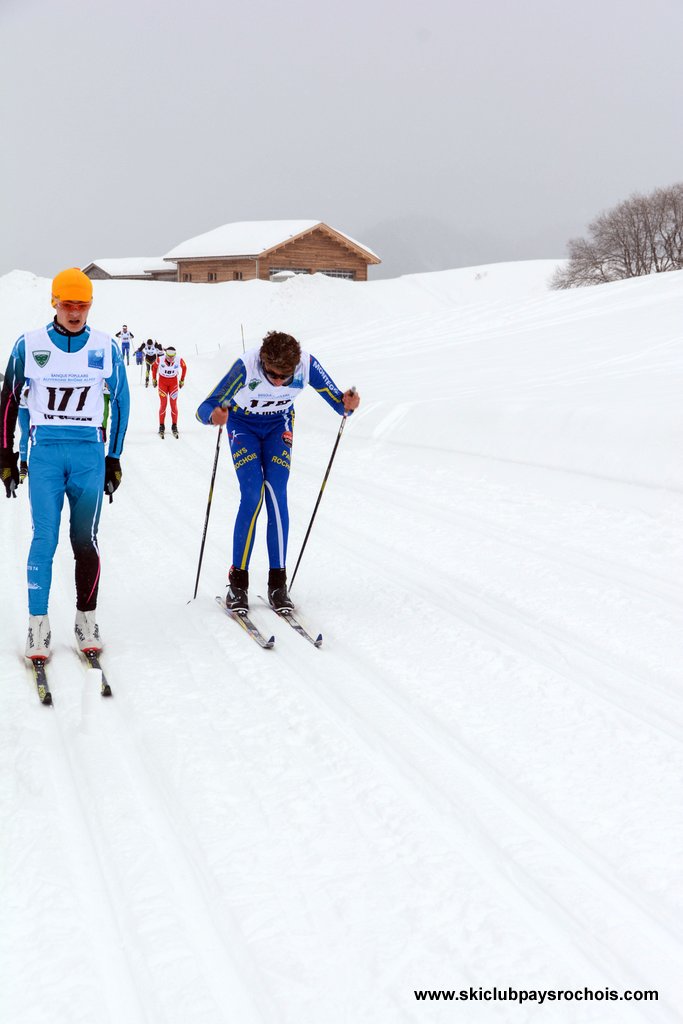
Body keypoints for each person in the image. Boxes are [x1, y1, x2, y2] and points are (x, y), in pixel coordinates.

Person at [0, 267, 130, 661]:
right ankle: (37, 625)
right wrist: (6, 453)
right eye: (68, 304)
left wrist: (114, 457)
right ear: (54, 302)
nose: (75, 312)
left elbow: (122, 402)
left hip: (89, 452)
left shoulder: (106, 347)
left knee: (84, 540)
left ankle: (85, 619)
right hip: (45, 454)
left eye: (82, 305)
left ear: (90, 306)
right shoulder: (29, 344)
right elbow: (8, 399)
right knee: (44, 539)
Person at [195, 330, 359, 612]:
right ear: (263, 362)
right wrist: (214, 416)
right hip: (243, 425)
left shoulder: (306, 364)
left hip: (278, 425)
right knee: (252, 495)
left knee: (276, 495)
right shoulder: (246, 366)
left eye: (286, 377)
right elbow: (203, 408)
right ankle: (238, 583)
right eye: (273, 375)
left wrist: (349, 404)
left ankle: (277, 584)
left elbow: (339, 403)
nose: (280, 381)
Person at [152, 346, 186, 438]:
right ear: (166, 354)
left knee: (173, 405)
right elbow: (154, 367)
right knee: (163, 404)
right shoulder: (160, 359)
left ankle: (174, 425)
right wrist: (154, 379)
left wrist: (182, 380)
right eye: (169, 357)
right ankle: (161, 426)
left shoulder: (179, 359)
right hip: (162, 383)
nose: (171, 359)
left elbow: (184, 367)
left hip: (173, 384)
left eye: (173, 357)